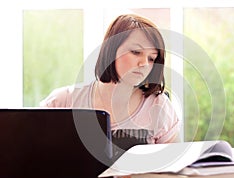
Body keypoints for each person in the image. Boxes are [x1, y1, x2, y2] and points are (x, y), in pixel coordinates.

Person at [40, 14, 181, 148]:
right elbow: (32, 152)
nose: (144, 63)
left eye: (151, 58)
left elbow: (174, 165)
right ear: (111, 50)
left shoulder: (159, 106)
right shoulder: (62, 101)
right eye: (136, 52)